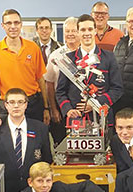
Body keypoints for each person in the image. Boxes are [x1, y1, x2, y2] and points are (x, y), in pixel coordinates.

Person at [0, 9, 50, 124]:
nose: (13, 26)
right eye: (8, 23)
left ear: (21, 24)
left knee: (36, 139)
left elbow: (40, 79)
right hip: (10, 106)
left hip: (33, 104)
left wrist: (46, 108)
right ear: (2, 26)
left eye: (16, 22)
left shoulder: (33, 48)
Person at [56, 14, 123, 125]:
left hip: (102, 118)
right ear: (78, 32)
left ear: (95, 31)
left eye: (90, 29)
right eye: (83, 30)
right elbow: (60, 91)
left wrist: (96, 104)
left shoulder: (109, 57)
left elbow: (117, 89)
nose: (87, 33)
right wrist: (68, 109)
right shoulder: (68, 59)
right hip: (76, 119)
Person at [45, 17, 80, 146]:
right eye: (67, 31)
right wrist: (53, 109)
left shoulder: (88, 54)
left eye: (74, 31)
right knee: (62, 144)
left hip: (83, 106)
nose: (70, 34)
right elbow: (49, 84)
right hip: (61, 106)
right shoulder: (55, 55)